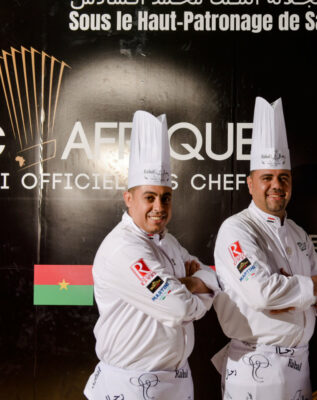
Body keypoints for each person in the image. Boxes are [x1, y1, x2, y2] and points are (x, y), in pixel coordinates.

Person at [83, 110, 219, 400]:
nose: (159, 207)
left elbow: (212, 278)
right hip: (131, 387)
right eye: (149, 197)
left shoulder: (169, 242)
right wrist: (196, 286)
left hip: (177, 382)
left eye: (165, 197)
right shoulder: (124, 249)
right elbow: (179, 308)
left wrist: (191, 283)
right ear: (129, 198)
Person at [211, 97, 317, 400]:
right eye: (267, 178)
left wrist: (303, 289)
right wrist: (313, 287)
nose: (276, 185)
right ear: (250, 183)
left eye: (283, 178)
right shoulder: (237, 229)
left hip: (299, 367)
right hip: (256, 369)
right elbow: (263, 293)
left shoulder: (297, 232)